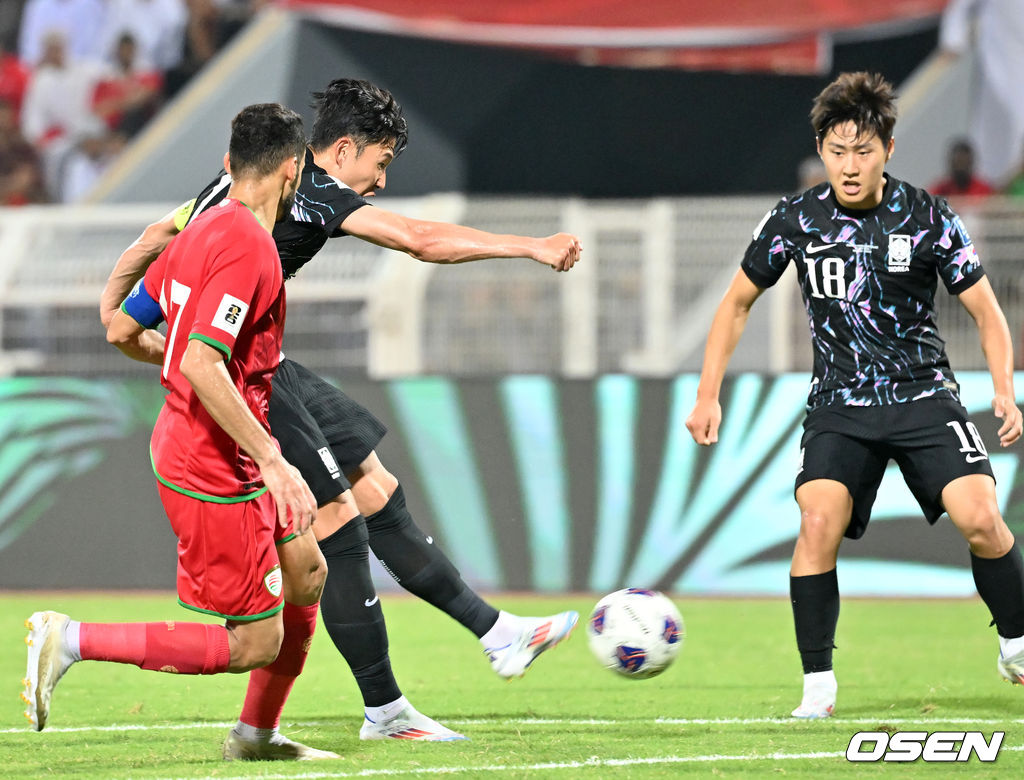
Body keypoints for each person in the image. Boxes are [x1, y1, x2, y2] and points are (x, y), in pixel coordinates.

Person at [99, 78, 582, 741]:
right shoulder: (314, 188)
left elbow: (159, 234)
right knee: (336, 522)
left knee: (375, 487)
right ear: (343, 149)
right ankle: (384, 710)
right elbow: (417, 238)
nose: (379, 181)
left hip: (267, 367)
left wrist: (117, 307)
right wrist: (528, 246)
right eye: (380, 163)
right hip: (249, 382)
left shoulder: (232, 188)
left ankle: (498, 632)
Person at [685, 71, 1024, 719]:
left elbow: (986, 311)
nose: (849, 165)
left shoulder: (927, 217)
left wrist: (1003, 391)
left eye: (863, 150)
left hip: (924, 396)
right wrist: (708, 395)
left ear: (889, 149)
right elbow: (735, 305)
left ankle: (1017, 643)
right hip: (840, 405)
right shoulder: (795, 218)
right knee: (817, 521)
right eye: (837, 151)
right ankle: (818, 688)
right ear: (821, 149)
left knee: (981, 518)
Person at [25, 103, 339, 762]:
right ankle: (71, 639)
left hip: (214, 443)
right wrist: (275, 460)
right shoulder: (251, 248)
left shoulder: (203, 228)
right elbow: (200, 359)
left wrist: (149, 266)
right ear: (292, 169)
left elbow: (120, 326)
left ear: (228, 165)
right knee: (254, 642)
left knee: (307, 571)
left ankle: (256, 736)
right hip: (214, 461)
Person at [929, 138, 995, 198]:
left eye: (964, 163)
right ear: (950, 163)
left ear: (971, 162)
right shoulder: (940, 190)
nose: (961, 168)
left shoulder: (984, 190)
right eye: (958, 162)